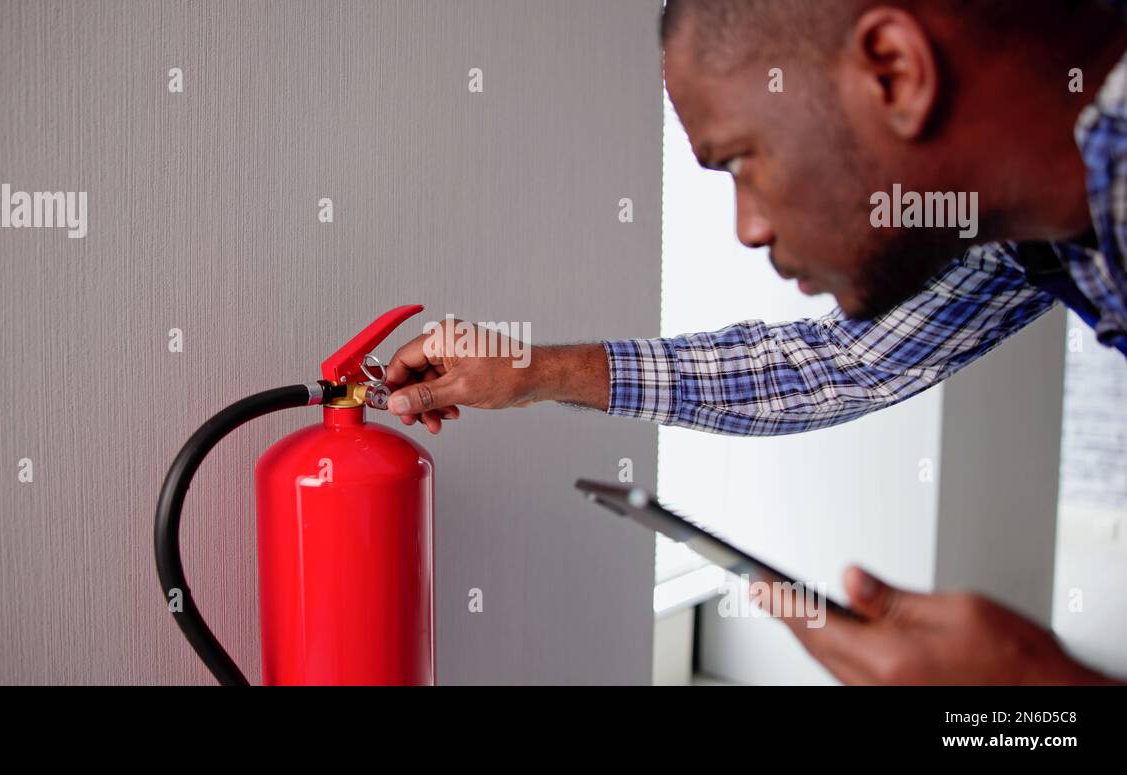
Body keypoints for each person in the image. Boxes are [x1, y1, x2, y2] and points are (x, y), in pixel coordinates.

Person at [384, 0, 1127, 684]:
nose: (749, 228)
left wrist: (1041, 699)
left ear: (894, 73)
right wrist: (531, 369)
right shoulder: (1017, 231)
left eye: (741, 160)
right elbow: (838, 365)